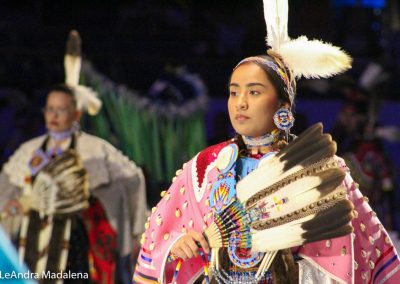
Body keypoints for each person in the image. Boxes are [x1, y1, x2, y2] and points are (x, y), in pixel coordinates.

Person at [133, 1, 400, 283]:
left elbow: (354, 253)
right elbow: (156, 236)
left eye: (254, 92)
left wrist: (294, 268)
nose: (241, 103)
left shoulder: (319, 169)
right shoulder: (205, 168)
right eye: (234, 93)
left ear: (283, 104)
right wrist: (177, 244)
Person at [0, 84, 147, 283]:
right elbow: (8, 187)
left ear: (76, 114)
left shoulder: (95, 149)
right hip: (31, 236)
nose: (54, 115)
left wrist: (98, 202)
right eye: (50, 109)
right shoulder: (30, 150)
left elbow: (132, 179)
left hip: (74, 240)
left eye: (61, 110)